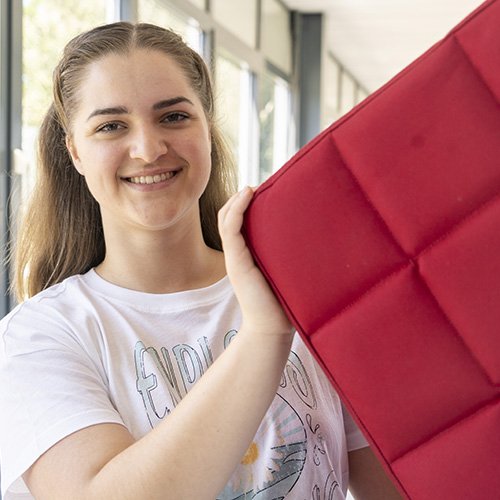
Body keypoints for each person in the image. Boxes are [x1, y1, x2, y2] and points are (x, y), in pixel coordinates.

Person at [0, 22, 401, 499]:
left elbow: (398, 487)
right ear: (75, 151)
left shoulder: (304, 290)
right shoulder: (40, 335)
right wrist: (265, 333)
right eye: (111, 126)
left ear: (207, 128)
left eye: (173, 117)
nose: (149, 149)